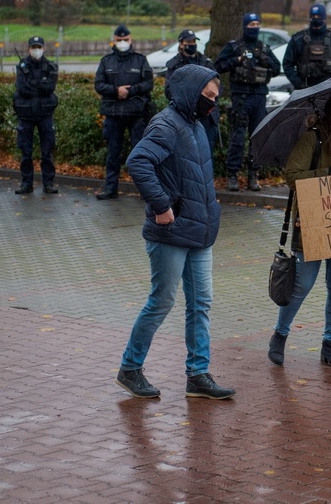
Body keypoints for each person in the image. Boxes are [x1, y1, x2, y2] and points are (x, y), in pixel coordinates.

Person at [115, 64, 235, 400]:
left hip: (199, 232)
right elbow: (138, 162)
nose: (212, 103)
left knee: (201, 303)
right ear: (189, 92)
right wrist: (161, 206)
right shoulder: (166, 124)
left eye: (215, 98)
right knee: (162, 301)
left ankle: (198, 374)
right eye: (207, 96)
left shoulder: (195, 124)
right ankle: (130, 367)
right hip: (170, 231)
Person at [267, 90, 331, 368]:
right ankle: (279, 336)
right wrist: (327, 173)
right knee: (301, 286)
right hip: (313, 224)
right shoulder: (312, 139)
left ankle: (330, 344)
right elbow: (291, 177)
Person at [215, 12, 281, 192]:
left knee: (257, 137)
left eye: (257, 24)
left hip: (259, 97)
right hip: (241, 97)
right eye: (251, 25)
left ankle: (253, 175)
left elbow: (277, 68)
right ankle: (232, 175)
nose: (255, 28)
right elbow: (218, 66)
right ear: (245, 26)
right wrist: (236, 61)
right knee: (237, 138)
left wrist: (265, 60)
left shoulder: (264, 48)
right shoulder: (234, 47)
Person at [93, 24, 155, 200]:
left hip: (136, 114)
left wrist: (131, 90)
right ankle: (110, 189)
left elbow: (148, 83)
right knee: (113, 153)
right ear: (114, 41)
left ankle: (144, 191)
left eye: (125, 40)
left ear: (131, 39)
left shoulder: (140, 60)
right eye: (119, 40)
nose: (122, 43)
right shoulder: (106, 61)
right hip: (113, 114)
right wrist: (116, 90)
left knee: (139, 154)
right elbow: (99, 84)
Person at [12, 36, 59, 194]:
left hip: (45, 114)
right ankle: (26, 184)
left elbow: (50, 87)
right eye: (33, 47)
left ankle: (48, 184)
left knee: (47, 151)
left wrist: (32, 84)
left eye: (39, 47)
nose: (36, 50)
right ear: (28, 49)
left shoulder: (51, 66)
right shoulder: (22, 66)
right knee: (26, 152)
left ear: (44, 48)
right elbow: (22, 88)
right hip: (26, 115)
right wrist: (40, 87)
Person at [165, 29, 219, 152]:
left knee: (206, 152)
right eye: (188, 41)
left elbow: (217, 86)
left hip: (206, 116)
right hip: (184, 117)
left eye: (194, 41)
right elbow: (169, 91)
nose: (192, 44)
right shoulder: (174, 64)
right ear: (181, 44)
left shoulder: (206, 62)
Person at [282, 3, 331, 91]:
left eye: (319, 16)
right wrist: (299, 84)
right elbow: (287, 64)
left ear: (324, 18)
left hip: (330, 91)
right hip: (304, 90)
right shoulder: (298, 40)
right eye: (313, 16)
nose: (316, 19)